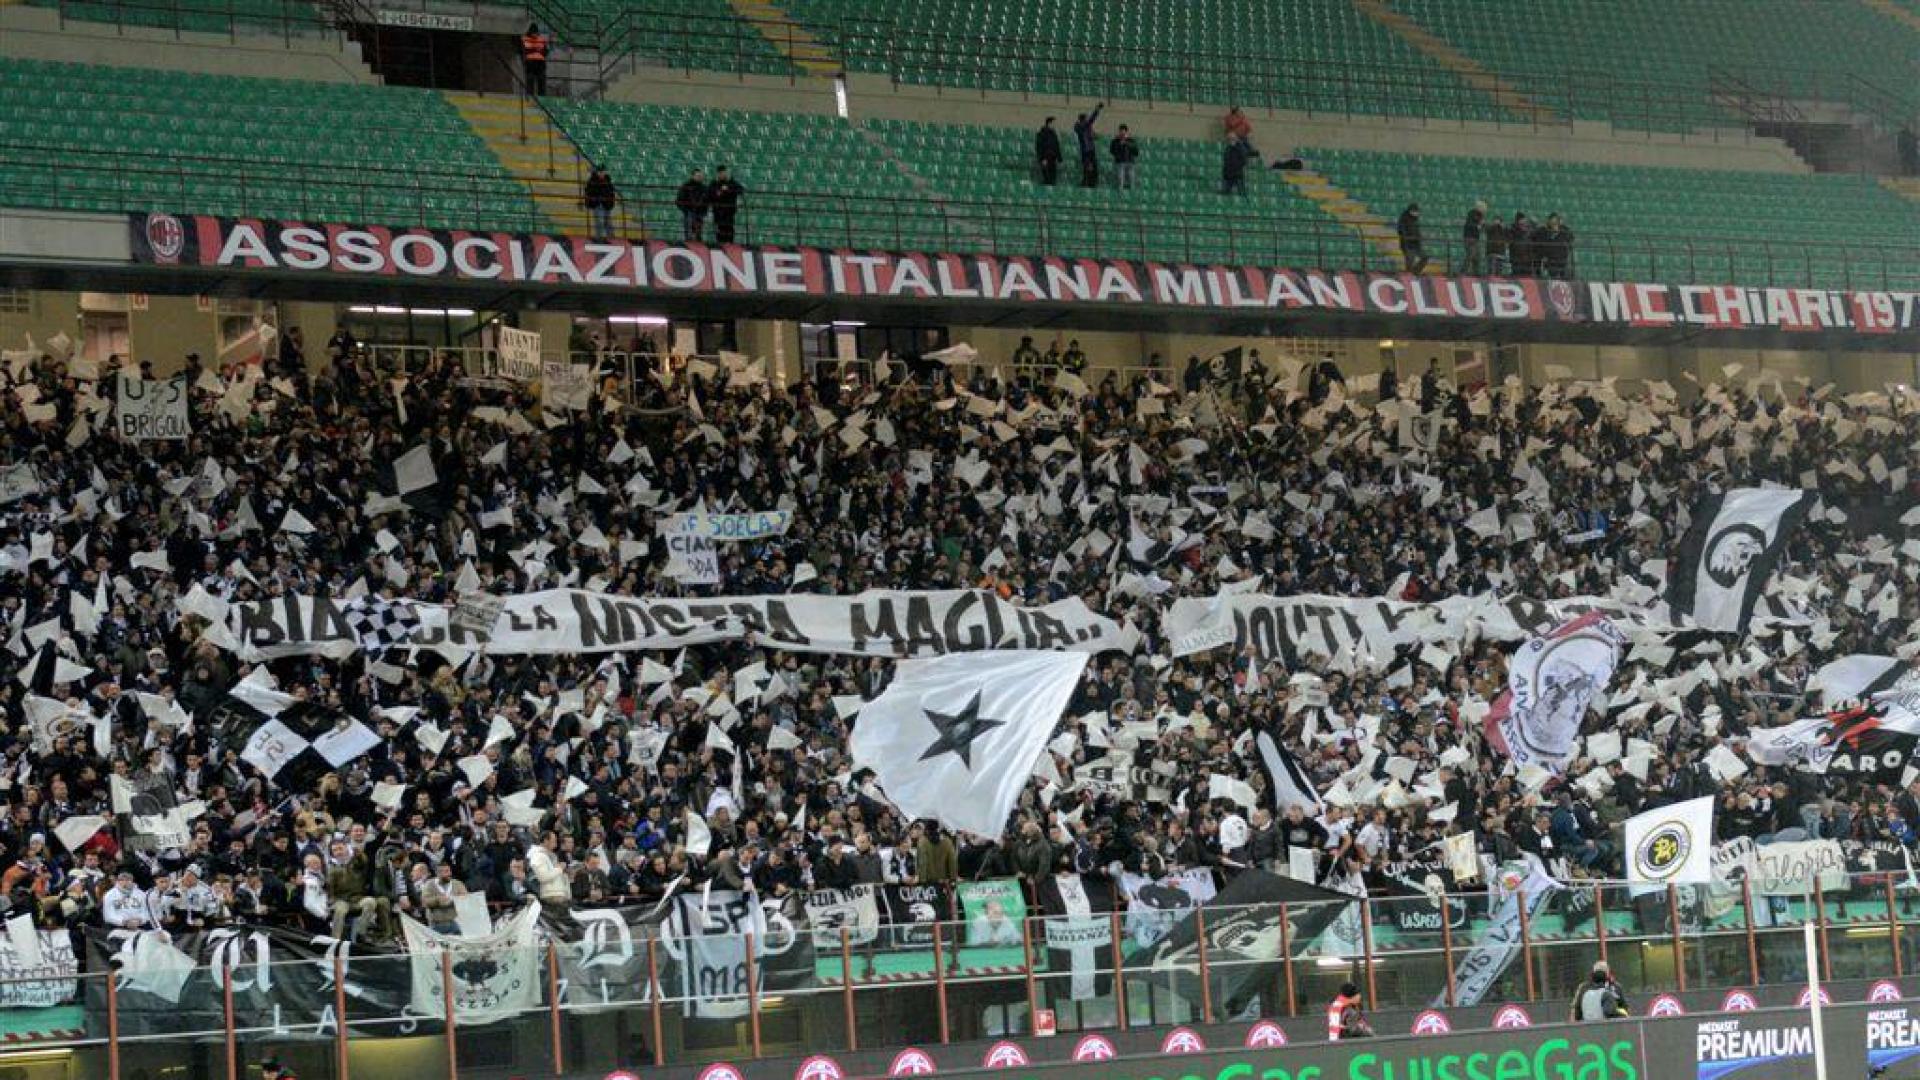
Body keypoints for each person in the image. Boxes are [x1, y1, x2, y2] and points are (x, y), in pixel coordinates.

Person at [707, 166, 744, 245]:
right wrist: (718, 192)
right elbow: (709, 195)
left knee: (729, 230)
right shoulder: (714, 183)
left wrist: (728, 188)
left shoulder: (731, 182)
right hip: (718, 212)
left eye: (724, 173)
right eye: (721, 173)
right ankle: (720, 245)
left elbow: (741, 190)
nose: (723, 175)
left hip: (729, 212)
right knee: (720, 230)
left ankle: (729, 245)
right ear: (718, 174)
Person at [1073, 103, 1105, 188]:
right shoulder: (1081, 126)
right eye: (1086, 119)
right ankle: (1086, 183)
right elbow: (1091, 120)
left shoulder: (1085, 128)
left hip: (1090, 149)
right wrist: (1097, 110)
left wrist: (1094, 136)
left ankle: (1091, 183)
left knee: (1093, 168)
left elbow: (1091, 135)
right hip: (1086, 150)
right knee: (1088, 167)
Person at [583, 165, 617, 241]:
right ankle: (600, 237)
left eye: (603, 171)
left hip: (605, 203)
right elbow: (588, 191)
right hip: (598, 203)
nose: (602, 173)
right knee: (599, 221)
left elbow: (611, 192)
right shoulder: (593, 180)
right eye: (600, 172)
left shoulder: (607, 180)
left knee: (607, 221)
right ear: (597, 172)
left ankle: (611, 237)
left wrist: (610, 201)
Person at [1537, 212, 1574, 279]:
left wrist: (1562, 227)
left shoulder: (1564, 231)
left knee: (1565, 280)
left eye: (1556, 222)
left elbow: (1571, 238)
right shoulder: (1545, 232)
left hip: (1562, 262)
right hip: (1551, 263)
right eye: (1552, 222)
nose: (1554, 224)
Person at [676, 168, 708, 242]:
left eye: (700, 176)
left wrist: (704, 210)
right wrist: (686, 210)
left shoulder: (704, 188)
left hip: (699, 213)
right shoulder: (686, 186)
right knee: (689, 234)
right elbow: (679, 200)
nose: (699, 177)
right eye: (698, 176)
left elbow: (707, 200)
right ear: (693, 176)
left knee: (698, 233)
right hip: (689, 212)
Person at [520, 23, 549, 97]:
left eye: (536, 33)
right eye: (534, 33)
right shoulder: (525, 39)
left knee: (541, 81)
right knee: (530, 80)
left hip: (540, 63)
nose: (535, 35)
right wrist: (536, 50)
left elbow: (545, 51)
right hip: (530, 63)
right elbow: (523, 51)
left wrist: (535, 50)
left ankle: (541, 97)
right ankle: (530, 97)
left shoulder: (541, 39)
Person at [1397, 203, 1427, 273]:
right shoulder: (1403, 218)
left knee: (1424, 257)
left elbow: (1417, 230)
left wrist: (1419, 236)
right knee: (1410, 259)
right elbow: (1401, 230)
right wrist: (1407, 237)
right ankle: (1409, 275)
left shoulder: (1415, 219)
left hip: (1416, 243)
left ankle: (1415, 272)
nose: (1417, 213)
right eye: (1415, 211)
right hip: (1407, 244)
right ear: (1411, 211)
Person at [1110, 124, 1139, 191]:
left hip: (1130, 162)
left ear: (1126, 132)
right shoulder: (1115, 141)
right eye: (1121, 132)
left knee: (1131, 179)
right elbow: (1112, 151)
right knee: (1120, 179)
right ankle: (1120, 192)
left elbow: (1136, 152)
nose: (1122, 134)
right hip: (1120, 162)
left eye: (1123, 132)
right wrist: (1119, 144)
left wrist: (1126, 143)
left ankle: (1132, 192)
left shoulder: (1131, 141)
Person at [1034, 118, 1062, 186]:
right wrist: (1042, 158)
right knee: (1046, 176)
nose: (1055, 125)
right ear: (1049, 123)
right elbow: (1039, 146)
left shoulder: (1054, 134)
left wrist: (1059, 158)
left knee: (1053, 176)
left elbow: (1056, 146)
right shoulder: (1042, 133)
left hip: (1053, 157)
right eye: (1053, 123)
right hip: (1046, 157)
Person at [1461, 201, 1486, 275]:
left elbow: (1481, 226)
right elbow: (1470, 224)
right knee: (1471, 254)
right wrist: (1477, 226)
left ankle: (1476, 272)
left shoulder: (1481, 215)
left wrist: (1482, 226)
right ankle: (1463, 271)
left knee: (1477, 255)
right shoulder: (1472, 213)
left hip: (1476, 238)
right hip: (1469, 237)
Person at [1484, 211, 1510, 276]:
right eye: (1495, 220)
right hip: (1491, 252)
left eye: (1498, 220)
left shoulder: (1504, 229)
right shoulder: (1490, 227)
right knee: (1491, 270)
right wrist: (1494, 225)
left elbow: (1508, 235)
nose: (1497, 221)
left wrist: (1501, 226)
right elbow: (1486, 228)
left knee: (1499, 270)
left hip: (1500, 253)